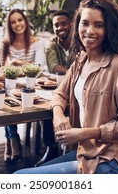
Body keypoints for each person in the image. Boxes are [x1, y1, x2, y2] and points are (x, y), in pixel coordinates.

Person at [14, 0, 118, 174]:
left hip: (111, 161)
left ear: (109, 29)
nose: (90, 31)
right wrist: (58, 115)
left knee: (19, 176)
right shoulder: (81, 60)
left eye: (99, 25)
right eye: (85, 23)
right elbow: (60, 93)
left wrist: (83, 133)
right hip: (85, 154)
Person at [0, 8, 46, 162]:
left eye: (20, 20)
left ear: (25, 21)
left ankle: (9, 141)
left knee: (6, 97)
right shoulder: (6, 44)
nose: (17, 24)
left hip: (31, 88)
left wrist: (17, 63)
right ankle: (13, 139)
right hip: (11, 88)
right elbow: (0, 68)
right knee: (3, 99)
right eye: (13, 22)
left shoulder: (37, 42)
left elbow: (39, 68)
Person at [35, 10, 74, 167]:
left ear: (71, 23)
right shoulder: (52, 42)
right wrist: (74, 69)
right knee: (47, 107)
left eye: (63, 23)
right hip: (57, 88)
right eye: (56, 25)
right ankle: (51, 148)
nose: (60, 27)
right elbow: (53, 66)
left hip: (78, 87)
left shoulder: (79, 41)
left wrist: (71, 70)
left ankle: (72, 150)